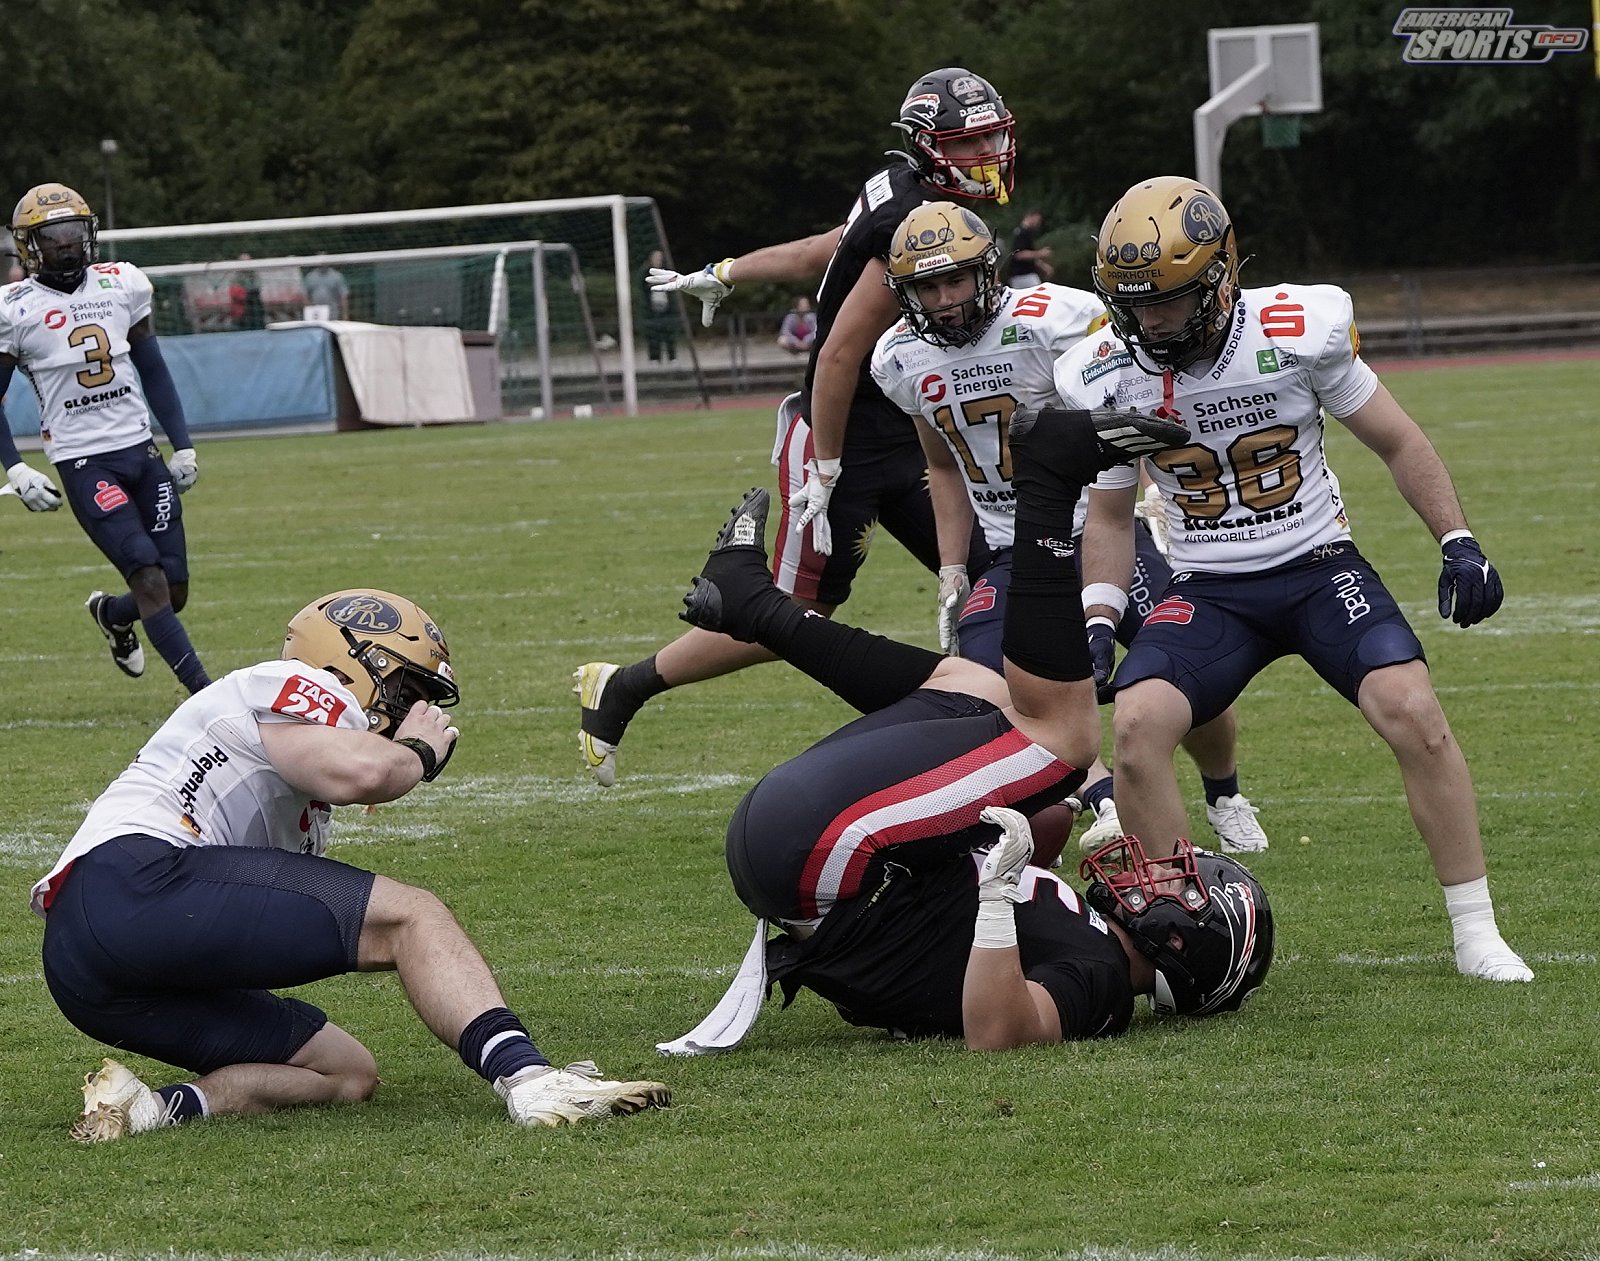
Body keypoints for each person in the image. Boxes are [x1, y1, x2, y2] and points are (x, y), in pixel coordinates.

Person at [1063, 175, 1529, 983]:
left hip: (1317, 567)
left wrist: (1457, 540)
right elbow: (1108, 517)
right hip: (1207, 587)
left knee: (1413, 710)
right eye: (1134, 303)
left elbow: (1398, 440)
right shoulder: (1104, 370)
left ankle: (1476, 929)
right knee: (1136, 728)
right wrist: (1099, 617)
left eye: (1168, 299)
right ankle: (1184, 935)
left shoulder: (1295, 330)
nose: (1151, 320)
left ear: (1221, 278)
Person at [657, 466, 1270, 1056]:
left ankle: (1049, 492)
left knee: (1063, 741)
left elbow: (998, 1031)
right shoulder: (1092, 941)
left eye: (1181, 885)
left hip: (819, 862)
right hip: (815, 858)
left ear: (1182, 943)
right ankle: (754, 606)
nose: (1158, 873)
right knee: (980, 688)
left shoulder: (1102, 979)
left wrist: (997, 898)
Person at [33, 587, 671, 1141]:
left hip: (87, 969)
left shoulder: (297, 791)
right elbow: (361, 772)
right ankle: (530, 1078)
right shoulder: (293, 685)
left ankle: (149, 1110)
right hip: (137, 880)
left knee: (343, 1072)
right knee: (411, 917)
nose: (412, 711)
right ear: (352, 661)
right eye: (407, 690)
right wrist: (416, 753)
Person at [577, 67, 1018, 786]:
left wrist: (729, 269)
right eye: (971, 143)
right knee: (798, 611)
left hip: (909, 431)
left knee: (993, 569)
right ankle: (624, 685)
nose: (989, 155)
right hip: (843, 436)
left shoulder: (905, 190)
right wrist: (828, 467)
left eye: (992, 139)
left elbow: (827, 246)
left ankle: (1020, 745)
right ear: (928, 145)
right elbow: (838, 353)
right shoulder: (910, 216)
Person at [867, 201, 1269, 858]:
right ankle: (1102, 794)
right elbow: (941, 463)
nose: (942, 300)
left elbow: (1127, 397)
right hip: (1014, 550)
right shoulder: (898, 358)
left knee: (1186, 666)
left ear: (987, 272)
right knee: (991, 681)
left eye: (955, 280)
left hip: (1098, 529)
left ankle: (1224, 792)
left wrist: (1152, 492)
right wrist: (952, 568)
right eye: (926, 287)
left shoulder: (1055, 319)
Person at [1, 183, 211, 694]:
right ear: (31, 246)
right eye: (53, 236)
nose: (66, 243)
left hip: (141, 451)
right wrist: (16, 468)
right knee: (149, 579)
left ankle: (112, 615)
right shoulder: (14, 308)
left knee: (173, 590)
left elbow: (152, 367)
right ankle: (208, 696)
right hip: (83, 461)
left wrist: (182, 444)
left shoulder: (122, 283)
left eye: (73, 231)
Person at [640, 248, 676, 363]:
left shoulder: (667, 272)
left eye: (660, 258)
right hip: (652, 307)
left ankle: (672, 356)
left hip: (666, 306)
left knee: (668, 332)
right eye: (655, 258)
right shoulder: (646, 273)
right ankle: (655, 357)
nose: (658, 260)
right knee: (653, 333)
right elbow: (642, 289)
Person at [1002, 208, 1053, 289]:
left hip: (1024, 275)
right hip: (1022, 275)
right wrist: (1040, 253)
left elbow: (1030, 256)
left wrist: (1043, 266)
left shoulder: (1025, 233)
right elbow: (1019, 254)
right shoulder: (1022, 233)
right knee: (1039, 292)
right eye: (1037, 219)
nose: (1038, 222)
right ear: (1030, 216)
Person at [229, 253, 265, 330]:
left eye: (248, 262)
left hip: (254, 304)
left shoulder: (255, 275)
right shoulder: (236, 277)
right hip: (242, 305)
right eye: (243, 262)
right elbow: (235, 293)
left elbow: (257, 286)